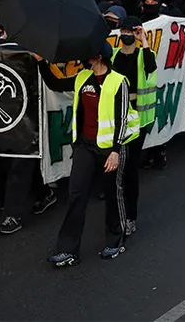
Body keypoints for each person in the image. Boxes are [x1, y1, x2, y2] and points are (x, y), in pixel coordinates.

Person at [37, 41, 138, 266]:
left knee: (114, 193)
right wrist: (41, 62)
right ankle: (68, 250)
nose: (84, 59)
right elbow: (55, 83)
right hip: (85, 146)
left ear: (100, 57)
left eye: (88, 56)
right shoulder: (83, 78)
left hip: (110, 149)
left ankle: (115, 240)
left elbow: (122, 119)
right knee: (76, 195)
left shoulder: (118, 82)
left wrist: (115, 151)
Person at [110, 17, 157, 235]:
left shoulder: (144, 55)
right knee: (115, 166)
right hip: (115, 119)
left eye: (131, 30)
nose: (126, 33)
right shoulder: (112, 56)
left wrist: (144, 41)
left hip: (138, 120)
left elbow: (151, 67)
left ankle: (130, 217)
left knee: (130, 168)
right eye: (124, 30)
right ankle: (115, 213)